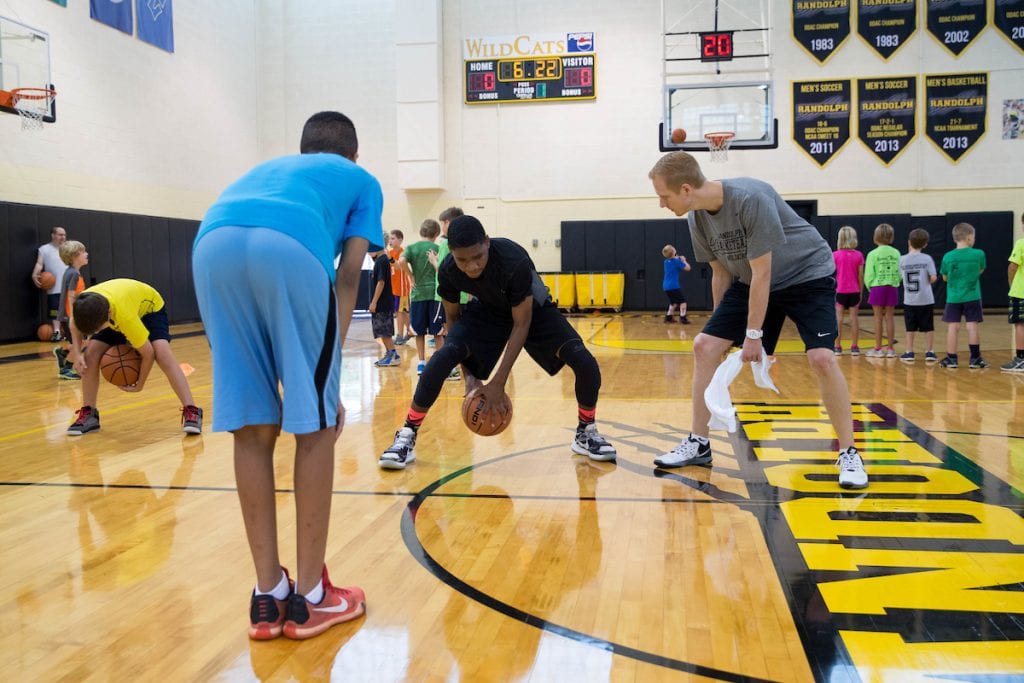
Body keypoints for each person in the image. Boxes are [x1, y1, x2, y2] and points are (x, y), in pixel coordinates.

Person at [192, 111, 379, 640]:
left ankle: (267, 595)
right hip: (290, 249)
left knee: (252, 428)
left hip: (212, 242)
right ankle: (312, 600)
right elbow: (348, 277)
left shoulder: (273, 170)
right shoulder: (360, 181)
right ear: (354, 155)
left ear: (303, 149)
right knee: (316, 429)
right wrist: (327, 382)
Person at [648, 151, 866, 489]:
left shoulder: (751, 198)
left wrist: (752, 335)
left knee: (821, 358)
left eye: (664, 196)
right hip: (752, 280)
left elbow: (764, 271)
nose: (662, 204)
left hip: (806, 276)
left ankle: (849, 452)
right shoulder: (696, 217)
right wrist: (723, 327)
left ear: (687, 189)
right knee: (704, 346)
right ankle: (699, 442)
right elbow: (720, 274)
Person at [379, 215, 617, 470]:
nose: (471, 266)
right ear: (453, 254)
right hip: (487, 311)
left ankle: (585, 431)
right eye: (463, 260)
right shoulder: (449, 270)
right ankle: (407, 434)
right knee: (442, 358)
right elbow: (454, 320)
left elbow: (521, 324)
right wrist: (469, 375)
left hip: (533, 311)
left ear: (487, 243)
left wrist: (498, 383)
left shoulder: (513, 261)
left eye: (477, 257)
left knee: (585, 362)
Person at [66, 278, 204, 436]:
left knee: (162, 353)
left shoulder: (125, 317)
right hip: (113, 306)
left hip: (149, 309)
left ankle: (192, 410)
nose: (96, 333)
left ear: (108, 315)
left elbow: (148, 353)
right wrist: (77, 354)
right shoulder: (82, 308)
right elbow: (74, 326)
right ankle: (89, 414)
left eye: (97, 330)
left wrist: (140, 383)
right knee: (90, 355)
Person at [938, 222, 988, 369]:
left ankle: (951, 359)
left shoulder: (948, 256)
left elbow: (945, 278)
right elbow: (981, 269)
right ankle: (975, 359)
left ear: (955, 238)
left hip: (953, 298)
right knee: (972, 326)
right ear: (969, 237)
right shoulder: (979, 254)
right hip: (973, 296)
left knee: (953, 327)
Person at [397, 219, 442, 375]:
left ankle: (421, 363)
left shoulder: (412, 248)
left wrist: (411, 277)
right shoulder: (438, 248)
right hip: (435, 295)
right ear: (436, 234)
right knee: (438, 332)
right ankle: (442, 363)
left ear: (420, 232)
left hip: (418, 295)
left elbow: (401, 261)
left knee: (419, 331)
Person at [430, 206, 469, 380]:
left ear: (448, 222)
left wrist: (434, 262)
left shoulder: (446, 243)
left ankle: (449, 369)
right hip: (462, 294)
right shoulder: (464, 242)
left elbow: (444, 271)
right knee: (459, 333)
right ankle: (465, 368)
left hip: (446, 295)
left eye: (443, 224)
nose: (442, 228)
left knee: (444, 333)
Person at [897, 228, 938, 363]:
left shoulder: (902, 259)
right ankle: (930, 351)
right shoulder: (927, 259)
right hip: (926, 298)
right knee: (928, 327)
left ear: (909, 242)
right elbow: (933, 277)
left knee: (910, 327)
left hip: (910, 299)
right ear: (925, 244)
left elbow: (900, 277)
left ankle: (909, 352)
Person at [863, 223, 901, 358]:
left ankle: (878, 349)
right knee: (890, 318)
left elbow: (868, 274)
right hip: (892, 287)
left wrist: (870, 286)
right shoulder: (896, 253)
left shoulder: (872, 254)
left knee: (877, 318)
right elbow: (899, 271)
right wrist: (896, 282)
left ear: (876, 237)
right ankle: (890, 349)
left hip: (877, 288)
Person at [53, 240, 89, 380]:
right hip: (70, 316)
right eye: (83, 252)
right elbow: (71, 297)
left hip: (68, 315)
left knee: (80, 343)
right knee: (82, 343)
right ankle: (66, 367)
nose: (86, 254)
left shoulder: (71, 272)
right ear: (74, 255)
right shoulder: (73, 274)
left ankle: (63, 353)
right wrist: (73, 318)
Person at [32, 226, 68, 341]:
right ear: (53, 235)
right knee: (55, 312)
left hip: (69, 285)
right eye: (60, 234)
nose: (63, 237)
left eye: (64, 235)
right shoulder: (44, 249)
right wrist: (34, 274)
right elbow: (39, 263)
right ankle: (57, 332)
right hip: (53, 287)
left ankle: (71, 332)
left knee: (71, 311)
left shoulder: (68, 249)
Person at [832, 226, 864, 356]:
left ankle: (837, 346)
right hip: (854, 291)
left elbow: (832, 275)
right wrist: (861, 292)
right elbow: (860, 275)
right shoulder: (859, 255)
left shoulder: (835, 255)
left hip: (839, 291)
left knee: (838, 319)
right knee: (854, 319)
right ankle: (854, 347)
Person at [369, 246, 400, 367]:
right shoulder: (379, 260)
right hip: (382, 303)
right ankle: (389, 353)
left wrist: (374, 302)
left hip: (383, 303)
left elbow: (381, 282)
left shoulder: (382, 261)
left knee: (384, 331)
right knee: (381, 331)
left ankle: (393, 355)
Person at [1002, 215, 1024, 373]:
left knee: (1020, 325)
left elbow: (1012, 267)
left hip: (1021, 292)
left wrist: (1011, 286)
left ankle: (1020, 359)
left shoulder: (1021, 243)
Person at [387, 229, 413, 344]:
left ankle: (399, 336)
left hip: (402, 288)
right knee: (404, 312)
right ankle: (411, 330)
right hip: (394, 287)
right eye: (390, 238)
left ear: (400, 240)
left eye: (393, 238)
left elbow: (398, 267)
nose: (390, 241)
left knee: (400, 312)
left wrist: (389, 257)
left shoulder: (403, 252)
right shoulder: (390, 252)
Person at [661, 244, 692, 324]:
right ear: (674, 251)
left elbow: (673, 259)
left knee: (674, 302)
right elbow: (688, 268)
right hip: (674, 286)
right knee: (683, 302)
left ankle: (669, 317)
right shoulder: (677, 262)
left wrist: (678, 258)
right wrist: (684, 260)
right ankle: (683, 318)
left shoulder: (666, 261)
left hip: (666, 286)